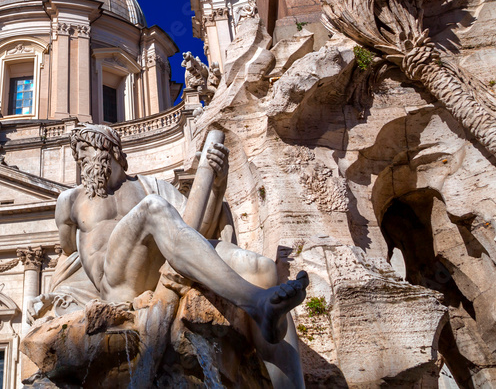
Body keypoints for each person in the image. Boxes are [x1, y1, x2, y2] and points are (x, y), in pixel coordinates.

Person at [54, 124, 307, 386]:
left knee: (261, 268)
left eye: (83, 149)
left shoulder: (150, 185)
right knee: (153, 207)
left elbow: (193, 230)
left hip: (163, 267)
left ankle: (274, 335)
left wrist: (217, 185)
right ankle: (256, 302)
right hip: (117, 285)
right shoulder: (70, 200)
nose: (79, 158)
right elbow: (67, 256)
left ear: (108, 149)